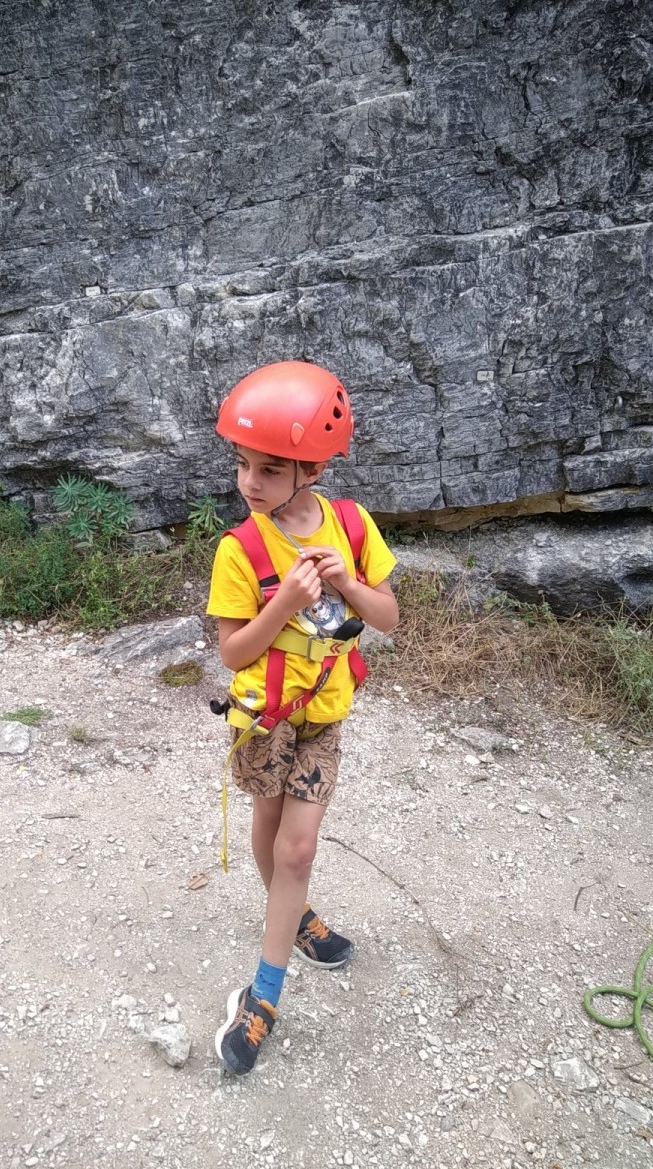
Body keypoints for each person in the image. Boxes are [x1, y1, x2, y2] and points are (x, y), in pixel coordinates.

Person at [207, 360, 400, 1075]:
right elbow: (234, 651)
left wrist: (347, 580)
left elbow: (387, 616)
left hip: (323, 715)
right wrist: (285, 602)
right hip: (266, 719)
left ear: (311, 468)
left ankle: (262, 996)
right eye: (242, 464)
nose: (249, 482)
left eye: (268, 469)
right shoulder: (241, 549)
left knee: (296, 849)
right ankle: (298, 918)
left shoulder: (350, 525)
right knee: (270, 829)